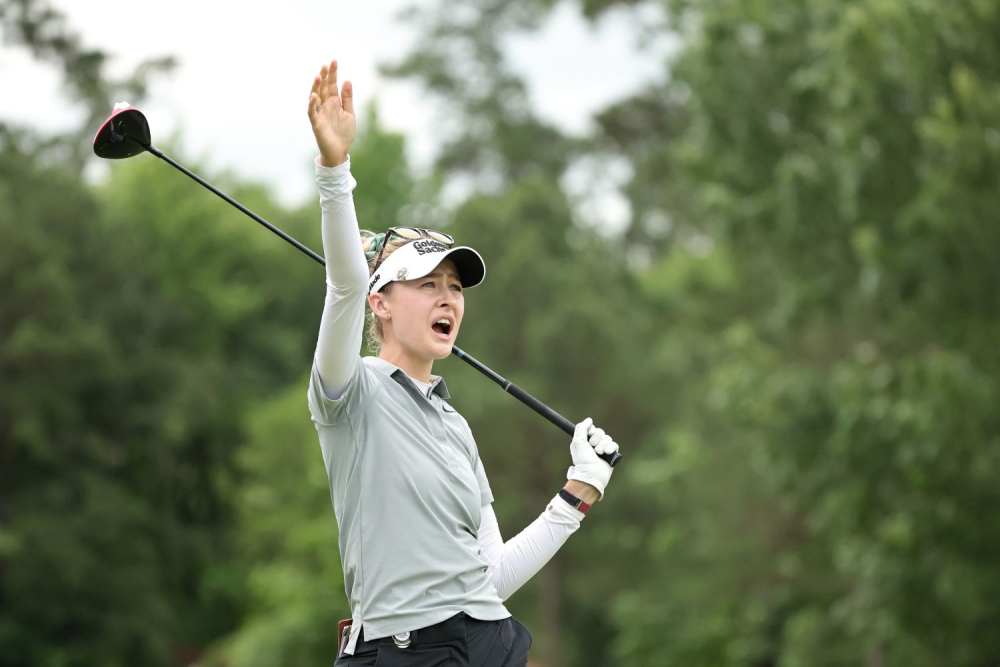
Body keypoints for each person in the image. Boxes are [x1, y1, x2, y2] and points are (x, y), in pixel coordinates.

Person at [306, 59, 620, 667]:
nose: (448, 296)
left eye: (454, 286)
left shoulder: (455, 427)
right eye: (426, 284)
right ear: (383, 305)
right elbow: (343, 282)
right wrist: (335, 171)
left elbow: (491, 579)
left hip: (489, 643)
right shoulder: (351, 393)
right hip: (404, 651)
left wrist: (576, 496)